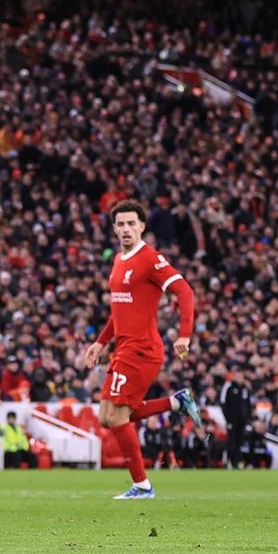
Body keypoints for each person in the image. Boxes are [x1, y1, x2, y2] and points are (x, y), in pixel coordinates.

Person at [82, 199, 201, 499]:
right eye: (120, 224)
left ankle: (143, 485)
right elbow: (119, 310)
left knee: (118, 417)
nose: (125, 229)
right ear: (114, 228)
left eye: (131, 223)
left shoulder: (151, 259)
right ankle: (176, 403)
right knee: (107, 417)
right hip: (122, 347)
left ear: (142, 226)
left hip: (142, 349)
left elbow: (184, 291)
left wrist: (185, 335)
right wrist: (99, 343)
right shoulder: (119, 260)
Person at [220, 373, 252, 468]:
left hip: (242, 421)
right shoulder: (229, 388)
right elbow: (224, 404)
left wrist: (247, 419)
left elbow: (248, 405)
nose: (240, 379)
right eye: (238, 377)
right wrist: (228, 420)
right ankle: (229, 461)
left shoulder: (245, 389)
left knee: (239, 441)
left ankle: (237, 462)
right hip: (231, 421)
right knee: (231, 441)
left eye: (241, 377)